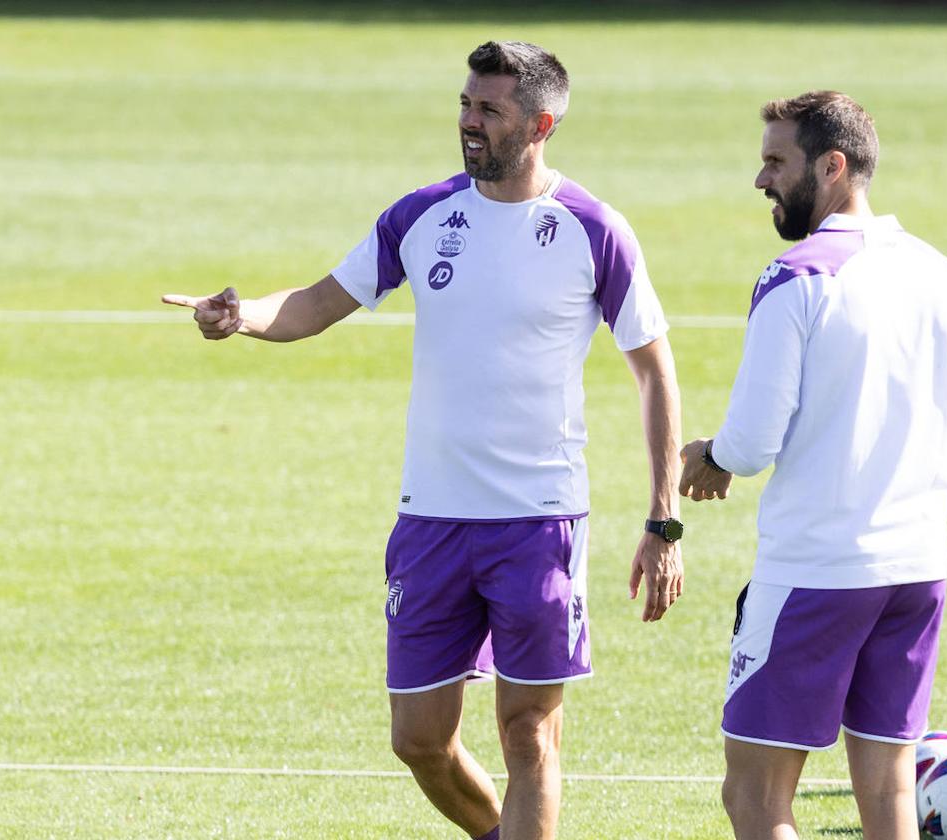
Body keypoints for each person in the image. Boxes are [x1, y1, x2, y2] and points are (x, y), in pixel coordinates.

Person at [163, 41, 684, 840]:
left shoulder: (592, 230)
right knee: (418, 741)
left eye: (490, 110)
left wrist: (662, 520)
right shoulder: (422, 214)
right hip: (431, 518)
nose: (469, 123)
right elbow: (315, 303)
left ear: (542, 123)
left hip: (537, 521)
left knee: (528, 735)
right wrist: (242, 319)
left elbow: (655, 372)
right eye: (465, 105)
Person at [678, 90, 947, 840]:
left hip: (814, 574)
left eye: (776, 161)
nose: (760, 179)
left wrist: (709, 458)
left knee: (755, 798)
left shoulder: (796, 276)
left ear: (832, 167)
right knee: (890, 795)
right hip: (916, 572)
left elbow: (751, 443)